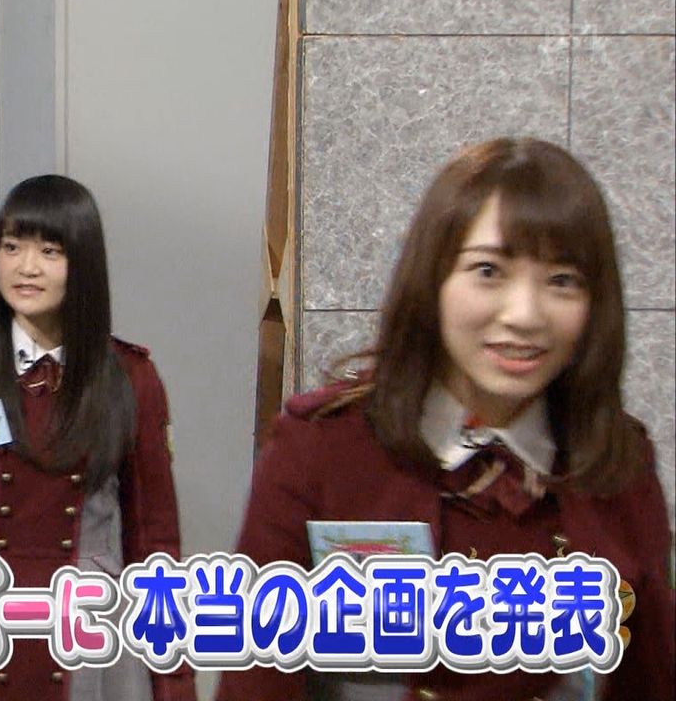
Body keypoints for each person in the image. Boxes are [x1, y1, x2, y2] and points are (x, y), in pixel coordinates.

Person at [216, 137, 675, 701]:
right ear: (432, 279)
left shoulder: (617, 463)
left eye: (562, 280)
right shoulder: (322, 449)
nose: (525, 315)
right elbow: (255, 684)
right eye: (489, 271)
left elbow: (652, 679)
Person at [0, 175, 195, 701]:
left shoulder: (131, 377)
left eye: (49, 251)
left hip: (95, 641)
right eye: (12, 247)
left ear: (83, 264)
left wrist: (173, 685)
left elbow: (155, 546)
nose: (26, 267)